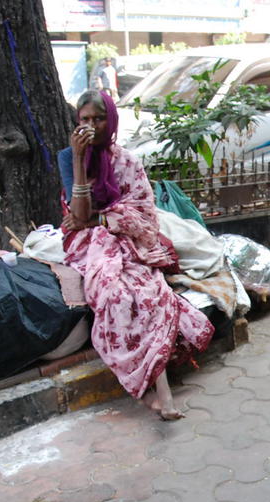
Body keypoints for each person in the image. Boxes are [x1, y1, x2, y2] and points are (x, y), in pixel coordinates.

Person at [58, 89, 214, 420]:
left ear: (110, 120)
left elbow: (143, 214)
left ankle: (163, 394)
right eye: (84, 119)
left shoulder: (126, 161)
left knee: (149, 294)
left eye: (98, 119)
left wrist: (103, 218)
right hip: (90, 244)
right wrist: (78, 159)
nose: (91, 126)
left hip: (129, 240)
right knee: (114, 295)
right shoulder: (67, 158)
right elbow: (78, 215)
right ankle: (150, 391)